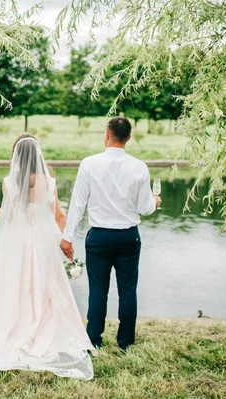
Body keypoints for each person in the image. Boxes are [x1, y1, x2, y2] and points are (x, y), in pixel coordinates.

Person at [0, 134, 96, 380]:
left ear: (16, 157)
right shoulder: (50, 182)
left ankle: (14, 325)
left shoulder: (8, 182)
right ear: (38, 156)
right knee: (43, 286)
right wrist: (67, 241)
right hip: (43, 244)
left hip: (18, 243)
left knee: (14, 284)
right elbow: (56, 215)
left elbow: (11, 218)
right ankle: (42, 327)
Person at [60, 117, 162, 351]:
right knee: (128, 290)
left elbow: (77, 204)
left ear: (107, 134)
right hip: (128, 237)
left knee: (98, 290)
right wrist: (156, 201)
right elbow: (144, 208)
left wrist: (67, 237)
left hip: (99, 238)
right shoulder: (139, 167)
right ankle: (125, 342)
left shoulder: (89, 164)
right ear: (129, 138)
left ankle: (93, 339)